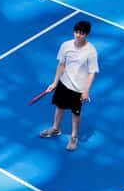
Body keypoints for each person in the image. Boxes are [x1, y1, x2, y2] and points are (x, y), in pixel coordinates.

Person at [39, 20, 99, 152]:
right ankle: (56, 129)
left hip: (78, 89)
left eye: (81, 33)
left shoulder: (91, 51)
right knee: (59, 107)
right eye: (76, 32)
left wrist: (86, 91)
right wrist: (55, 82)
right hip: (64, 83)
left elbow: (92, 72)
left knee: (75, 114)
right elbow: (61, 65)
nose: (78, 35)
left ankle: (74, 137)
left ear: (87, 34)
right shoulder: (65, 45)